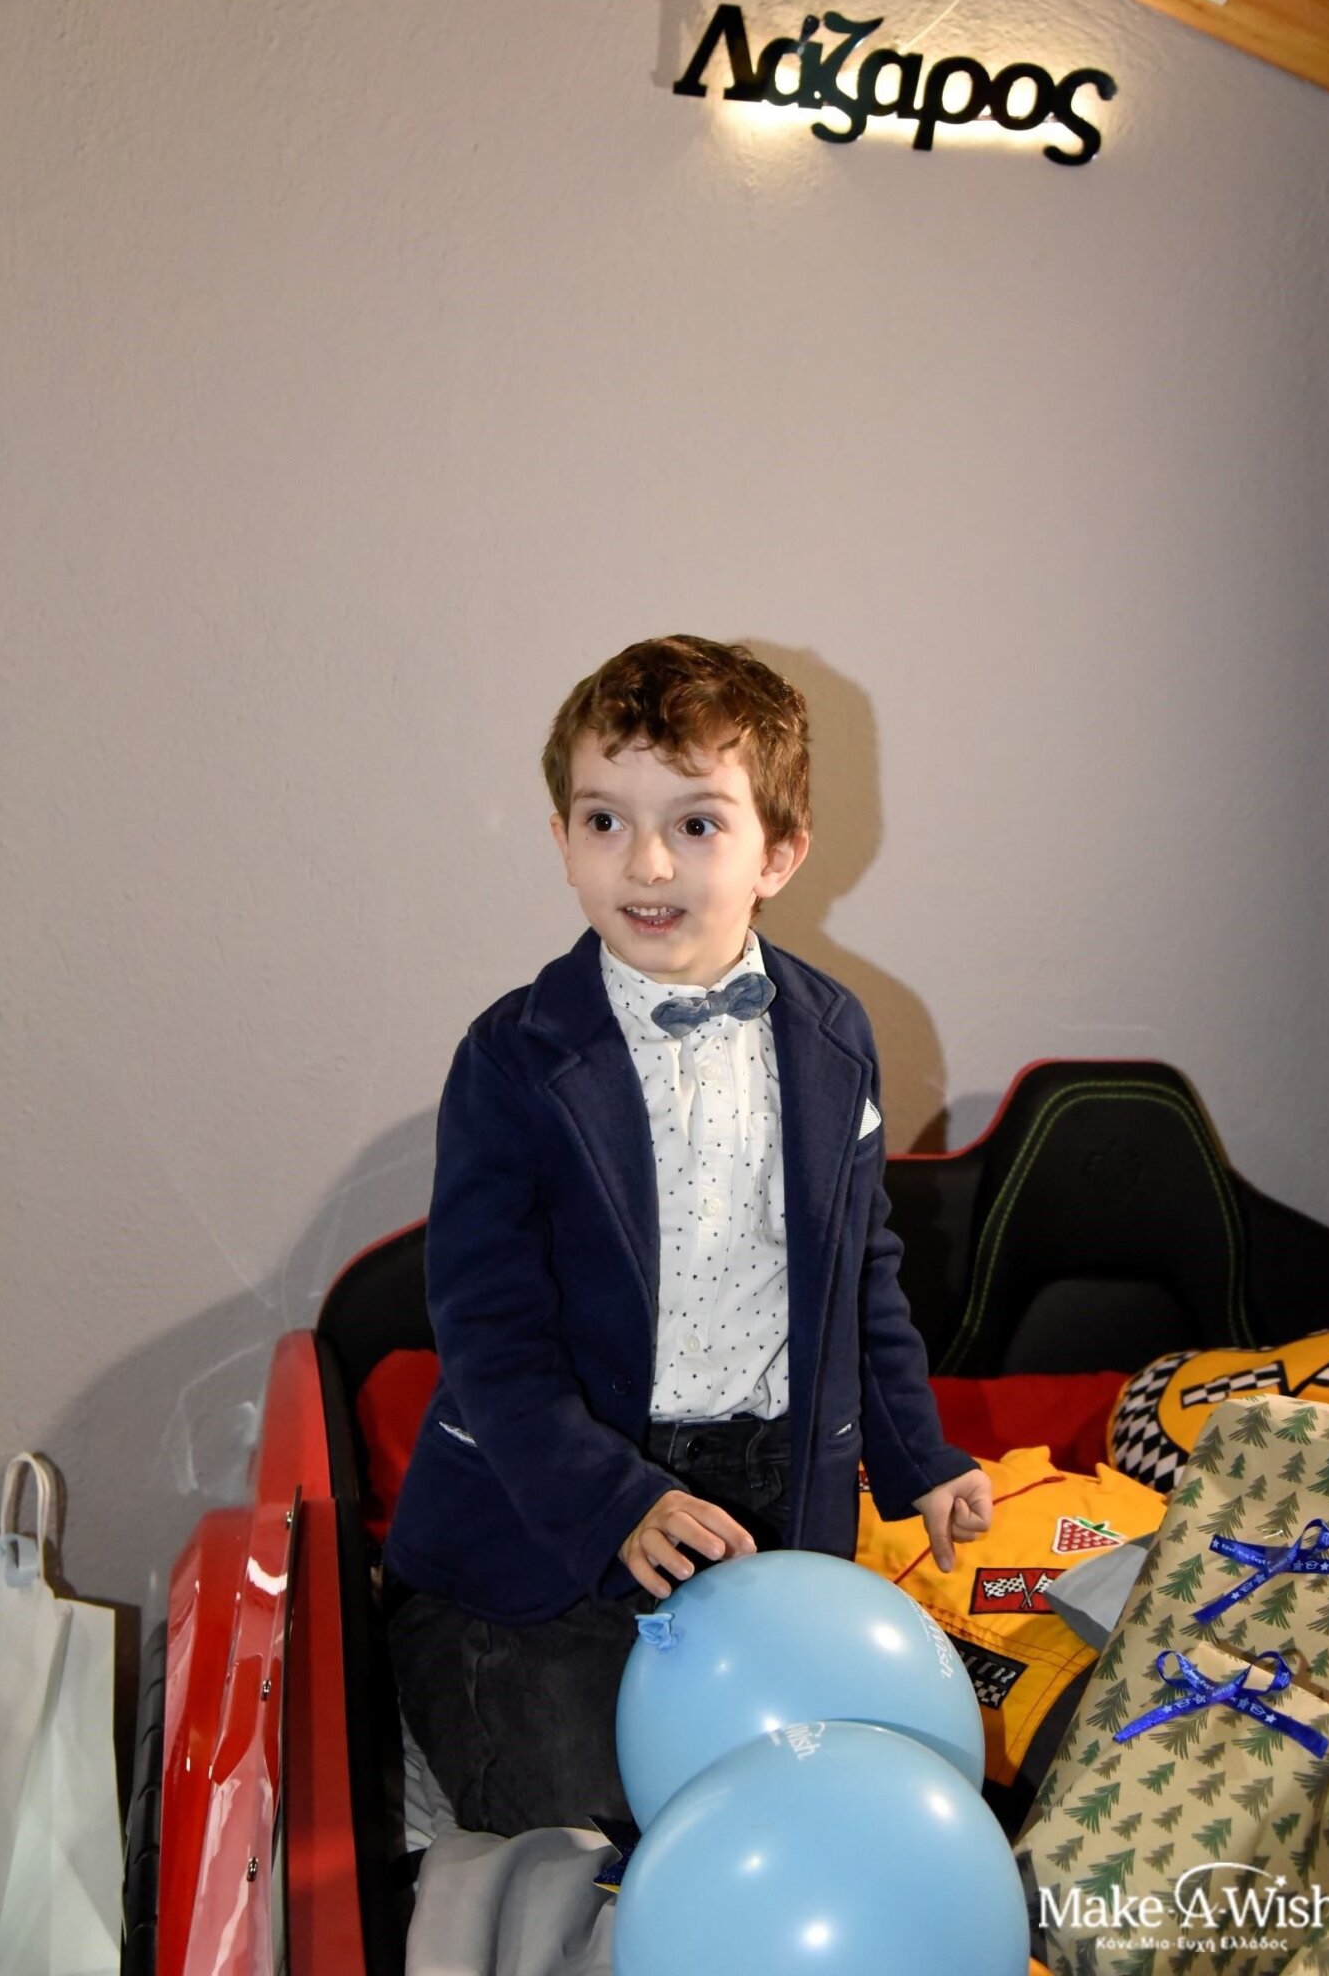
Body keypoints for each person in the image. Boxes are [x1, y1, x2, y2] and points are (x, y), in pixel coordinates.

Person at [384, 635, 992, 1837]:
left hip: (769, 1489)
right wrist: (612, 1499)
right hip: (547, 1514)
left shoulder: (831, 1033)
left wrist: (917, 1456)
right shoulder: (512, 1058)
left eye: (697, 823)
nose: (646, 862)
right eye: (604, 820)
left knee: (815, 1787)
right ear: (560, 838)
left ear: (779, 852)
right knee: (602, 1810)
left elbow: (859, 1271)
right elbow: (490, 1332)